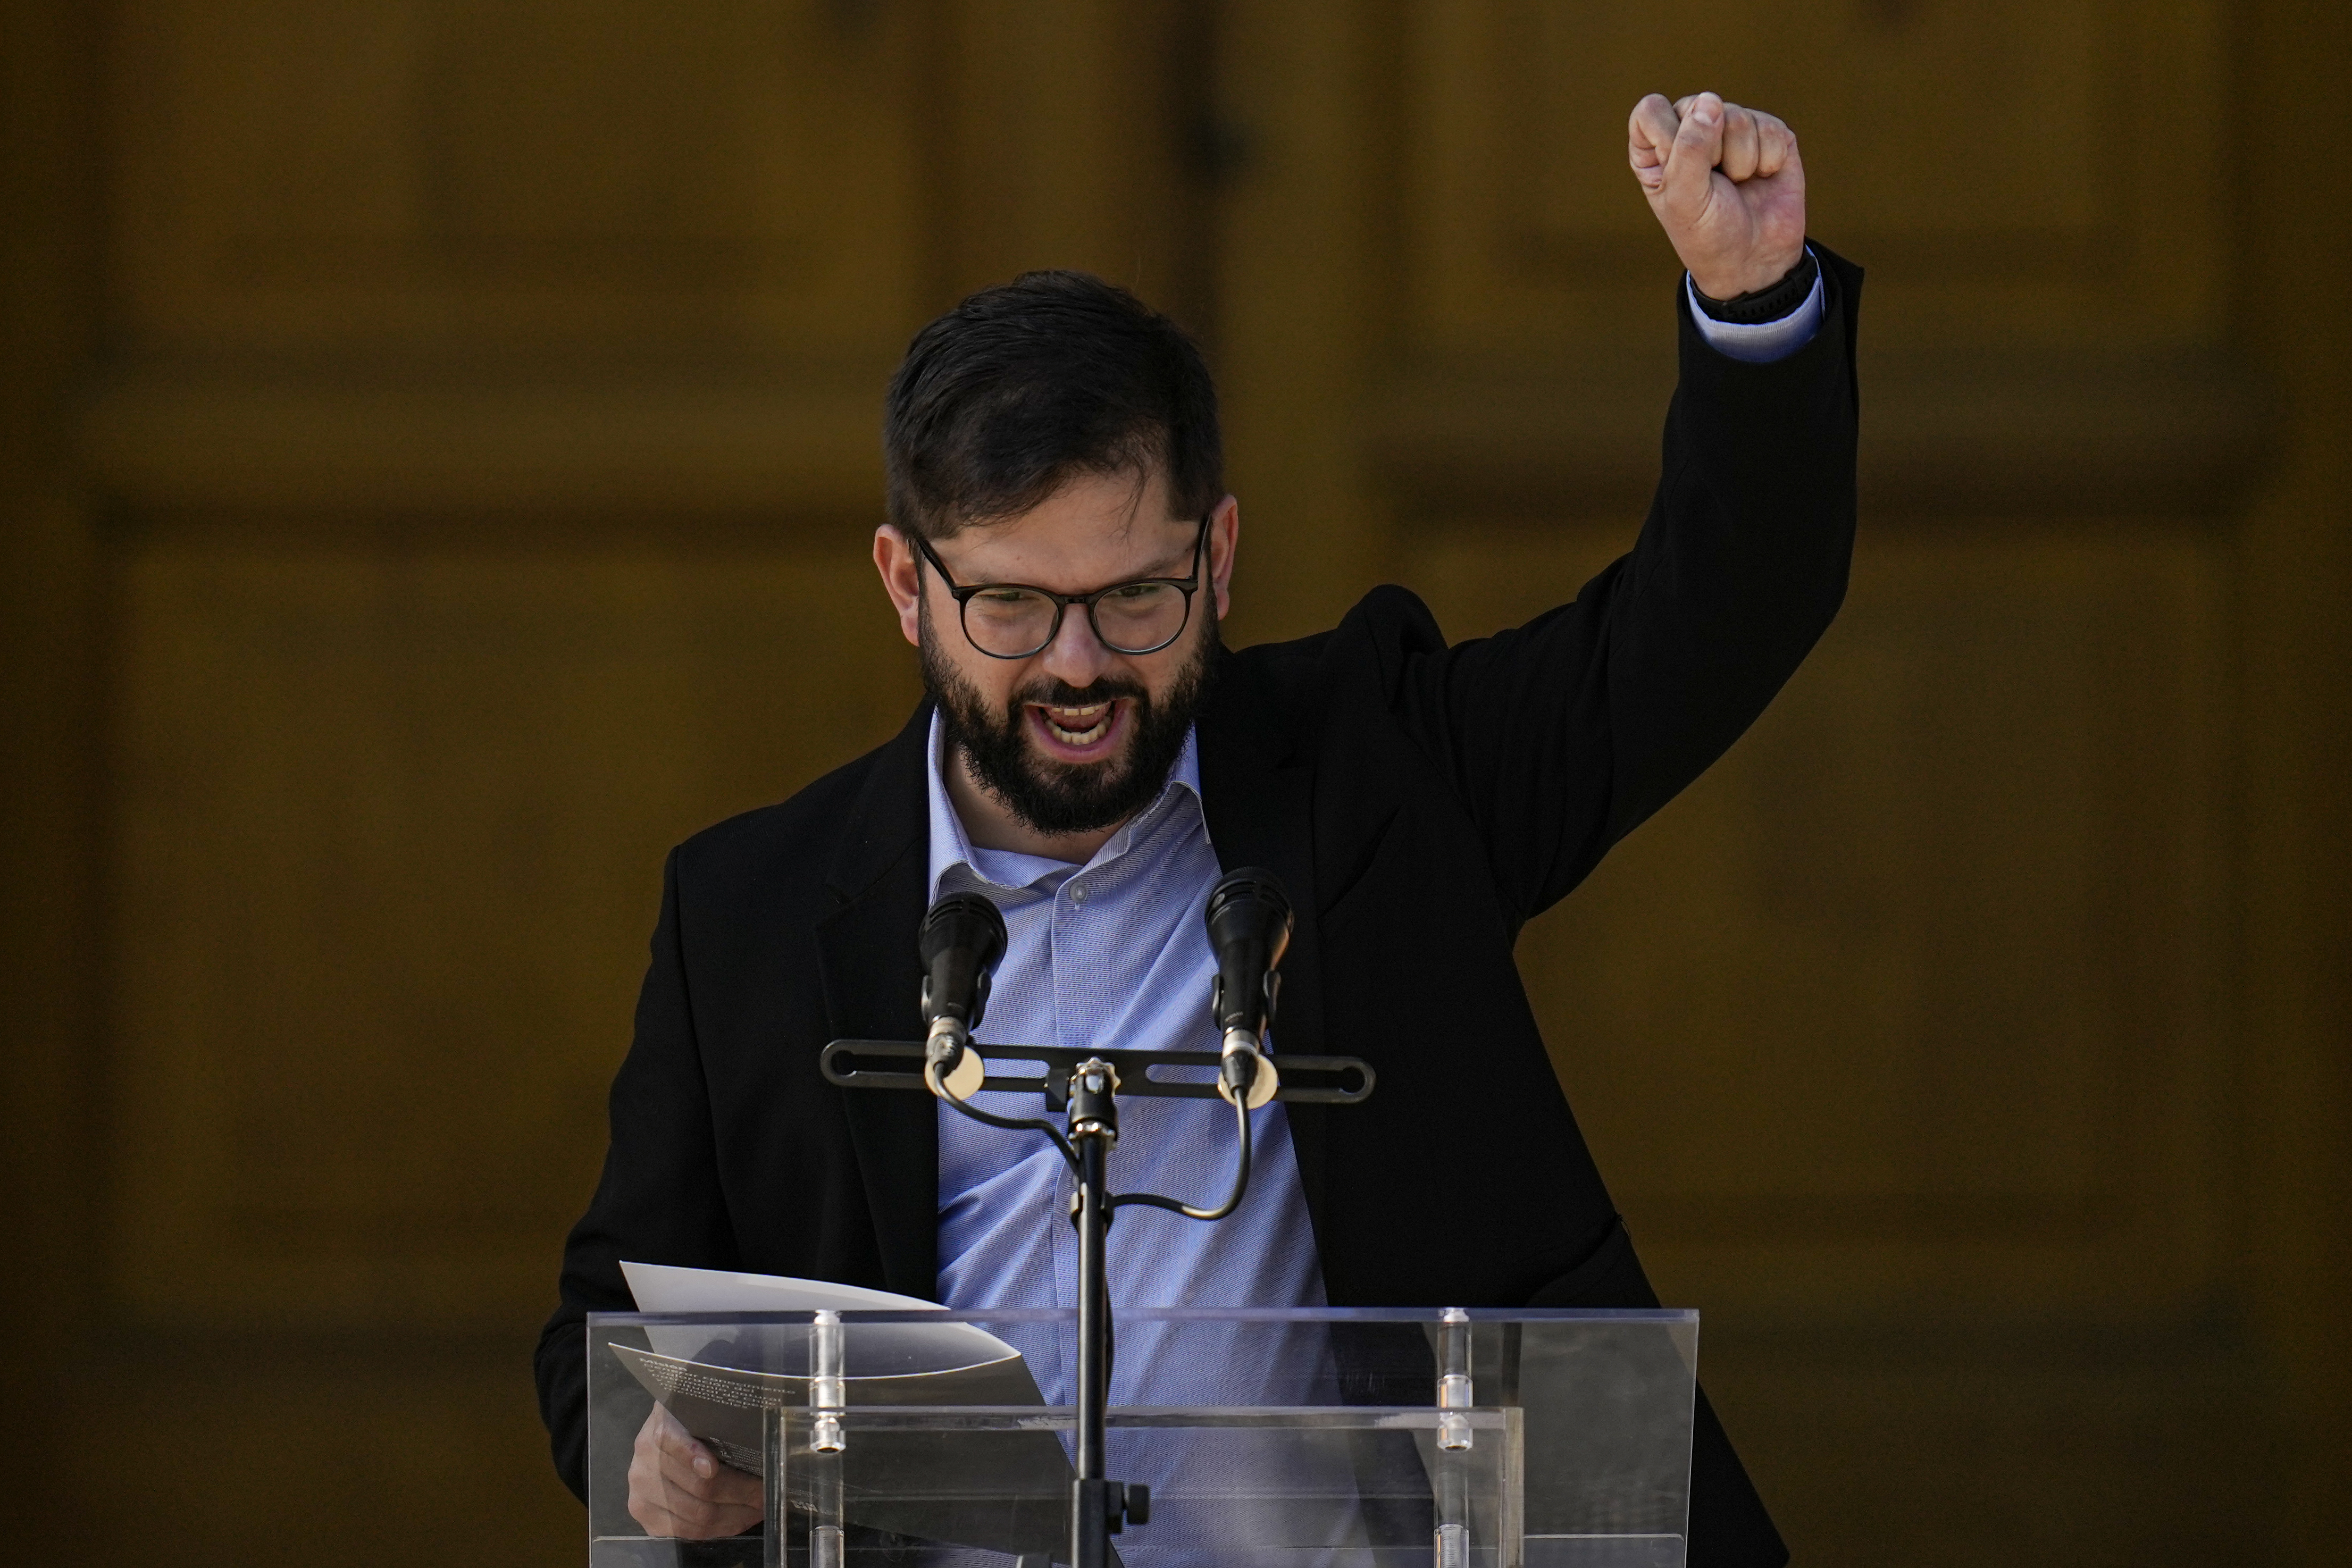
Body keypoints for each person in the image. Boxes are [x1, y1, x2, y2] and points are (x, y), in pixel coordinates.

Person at [538, 91, 1855, 1568]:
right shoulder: (750, 913)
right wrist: (655, 1461)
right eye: (1013, 606)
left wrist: (1755, 309)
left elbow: (1714, 622)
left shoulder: (1379, 774)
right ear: (907, 587)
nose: (1080, 668)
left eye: (1136, 599)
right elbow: (607, 1334)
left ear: (1218, 559)